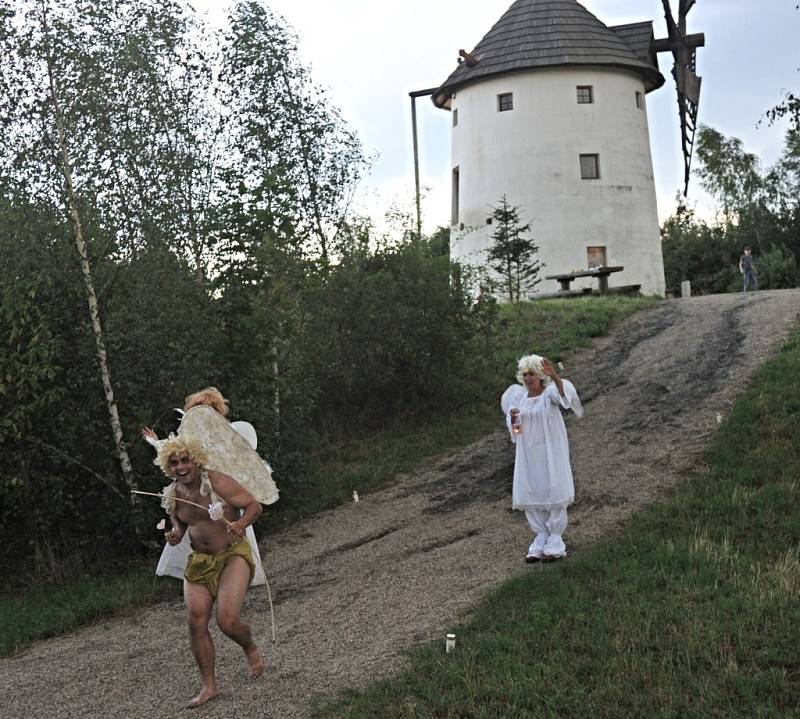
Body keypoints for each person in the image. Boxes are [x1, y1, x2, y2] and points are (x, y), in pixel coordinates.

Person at [156, 434, 265, 708]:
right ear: (168, 467)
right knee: (195, 622)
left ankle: (249, 645)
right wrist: (174, 535)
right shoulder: (173, 494)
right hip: (201, 561)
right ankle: (209, 686)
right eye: (174, 463)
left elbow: (254, 506)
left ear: (196, 460)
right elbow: (181, 527)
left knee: (226, 621)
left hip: (231, 556)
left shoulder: (215, 482)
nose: (181, 467)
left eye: (185, 460)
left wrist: (240, 525)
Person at [142, 387, 278, 585]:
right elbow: (174, 450)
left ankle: (236, 577)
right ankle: (209, 577)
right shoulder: (190, 437)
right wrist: (156, 442)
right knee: (198, 533)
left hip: (223, 495)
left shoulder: (225, 436)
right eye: (197, 407)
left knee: (232, 535)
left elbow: (244, 457)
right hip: (198, 497)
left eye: (205, 407)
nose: (201, 411)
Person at [501, 354, 583, 563]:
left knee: (553, 487)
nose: (529, 378)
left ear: (540, 376)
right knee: (533, 489)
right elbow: (516, 432)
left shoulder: (549, 395)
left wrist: (554, 375)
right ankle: (540, 537)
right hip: (529, 453)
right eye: (526, 374)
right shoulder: (518, 399)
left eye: (533, 374)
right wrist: (513, 420)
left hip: (550, 450)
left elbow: (565, 400)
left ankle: (555, 539)